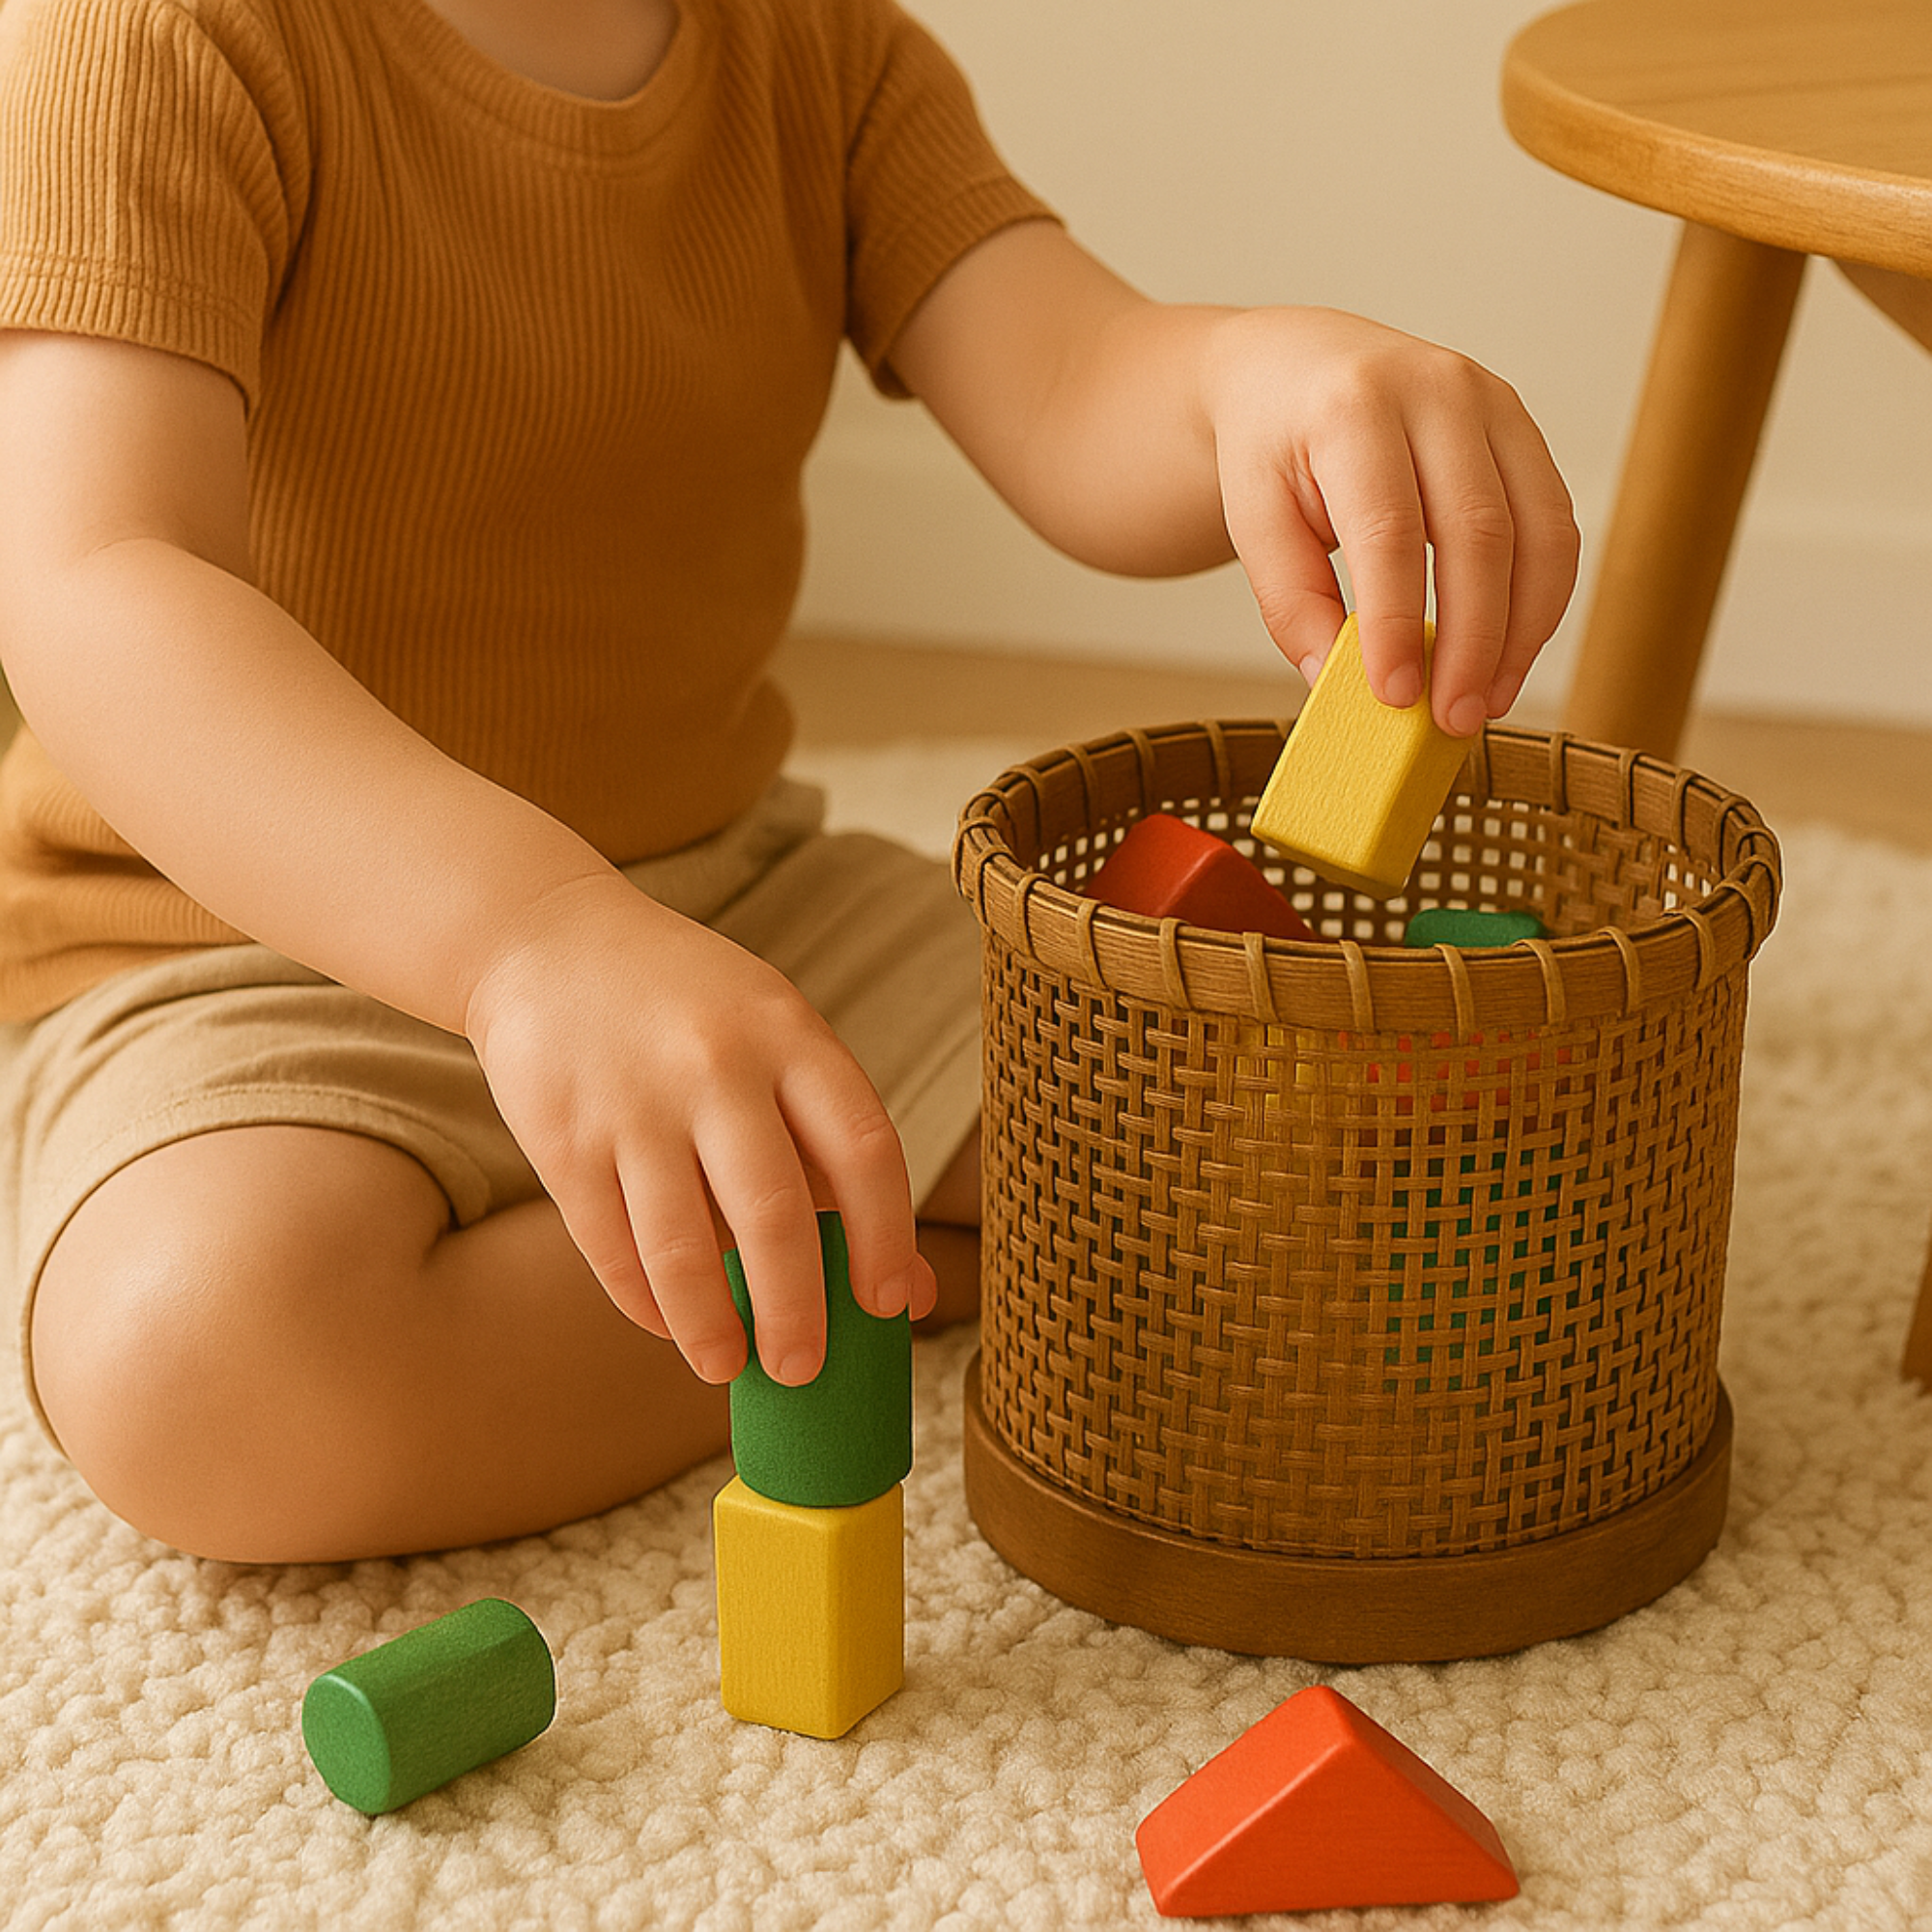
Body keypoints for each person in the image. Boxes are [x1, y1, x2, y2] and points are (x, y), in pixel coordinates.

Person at [0, 0, 1578, 1563]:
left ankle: (838, 1241)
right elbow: (100, 572)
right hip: (243, 949)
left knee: (1342, 1154)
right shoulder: (156, 38)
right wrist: (526, 937)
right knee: (199, 1367)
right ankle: (915, 1260)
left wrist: (1254, 379)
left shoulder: (820, 48)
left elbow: (1067, 380)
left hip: (736, 909)